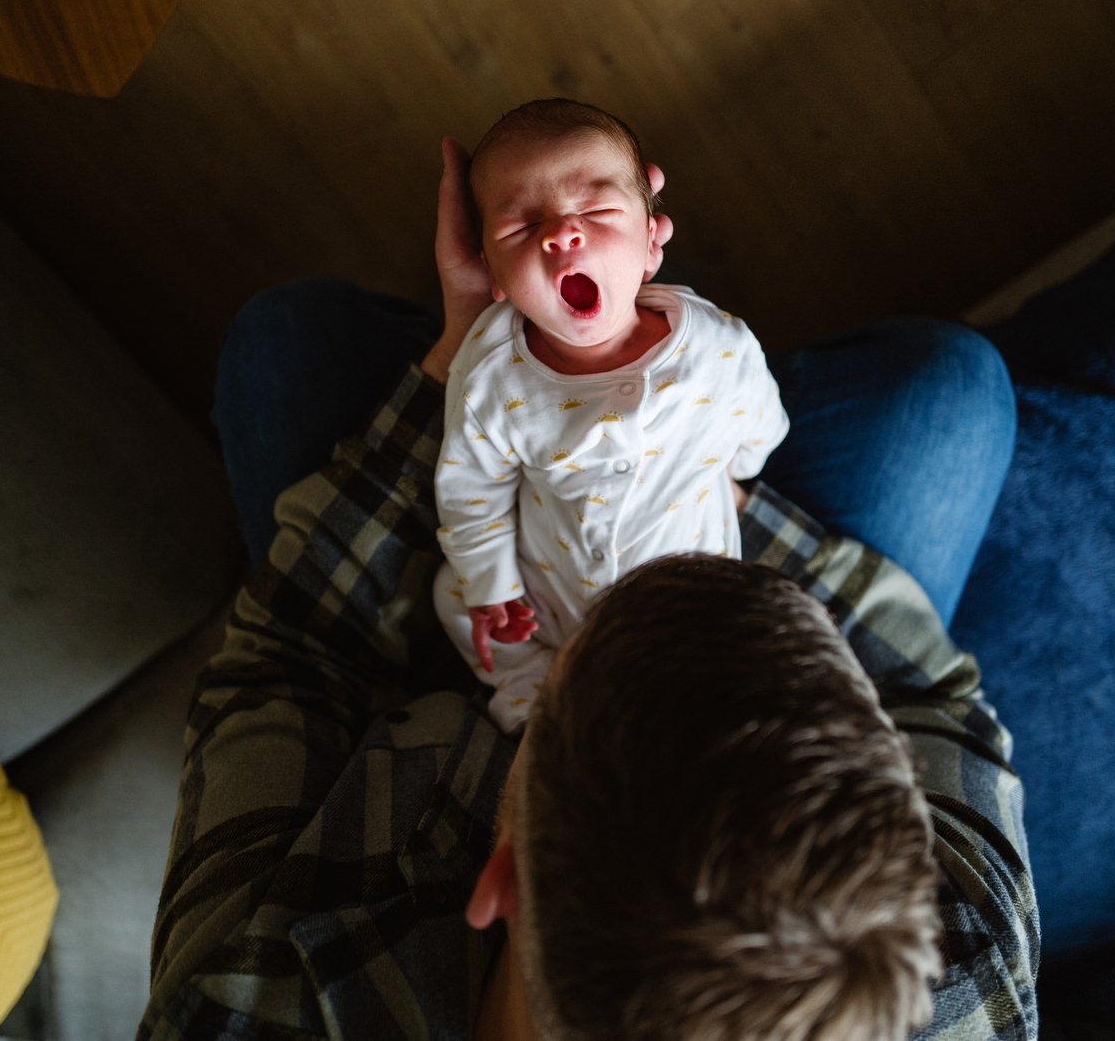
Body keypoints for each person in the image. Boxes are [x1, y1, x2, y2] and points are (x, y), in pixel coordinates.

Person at [139, 133, 1037, 1039]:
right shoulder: (970, 973)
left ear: (504, 876)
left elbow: (284, 657)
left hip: (459, 661)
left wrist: (459, 368)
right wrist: (712, 485)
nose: (563, 235)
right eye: (532, 222)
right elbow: (935, 700)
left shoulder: (237, 998)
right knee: (943, 397)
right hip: (722, 535)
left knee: (292, 341)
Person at [434, 100, 789, 731]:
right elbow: (470, 489)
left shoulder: (716, 346)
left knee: (729, 661)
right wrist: (492, 585)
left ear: (653, 242)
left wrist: (741, 467)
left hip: (688, 601)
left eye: (598, 211)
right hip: (548, 591)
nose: (562, 234)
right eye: (520, 227)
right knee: (455, 596)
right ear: (491, 273)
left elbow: (758, 412)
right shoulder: (491, 374)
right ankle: (532, 690)